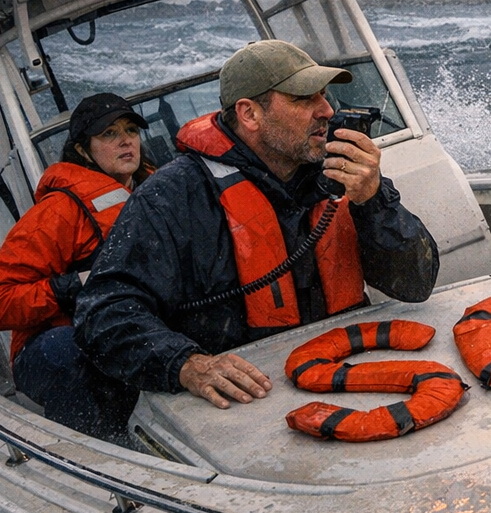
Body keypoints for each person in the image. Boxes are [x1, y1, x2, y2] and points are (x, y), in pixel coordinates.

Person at [75, 40, 439, 411]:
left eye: (323, 95)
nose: (327, 110)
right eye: (303, 98)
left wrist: (373, 201)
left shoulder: (343, 172)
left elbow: (416, 284)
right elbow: (103, 312)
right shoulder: (170, 198)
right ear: (249, 114)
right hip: (246, 398)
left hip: (356, 371)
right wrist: (186, 364)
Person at [0, 93, 150, 443]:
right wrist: (72, 284)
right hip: (58, 345)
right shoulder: (59, 212)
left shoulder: (161, 189)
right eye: (109, 134)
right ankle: (90, 455)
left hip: (135, 326)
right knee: (69, 351)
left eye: (131, 130)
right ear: (83, 151)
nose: (125, 141)